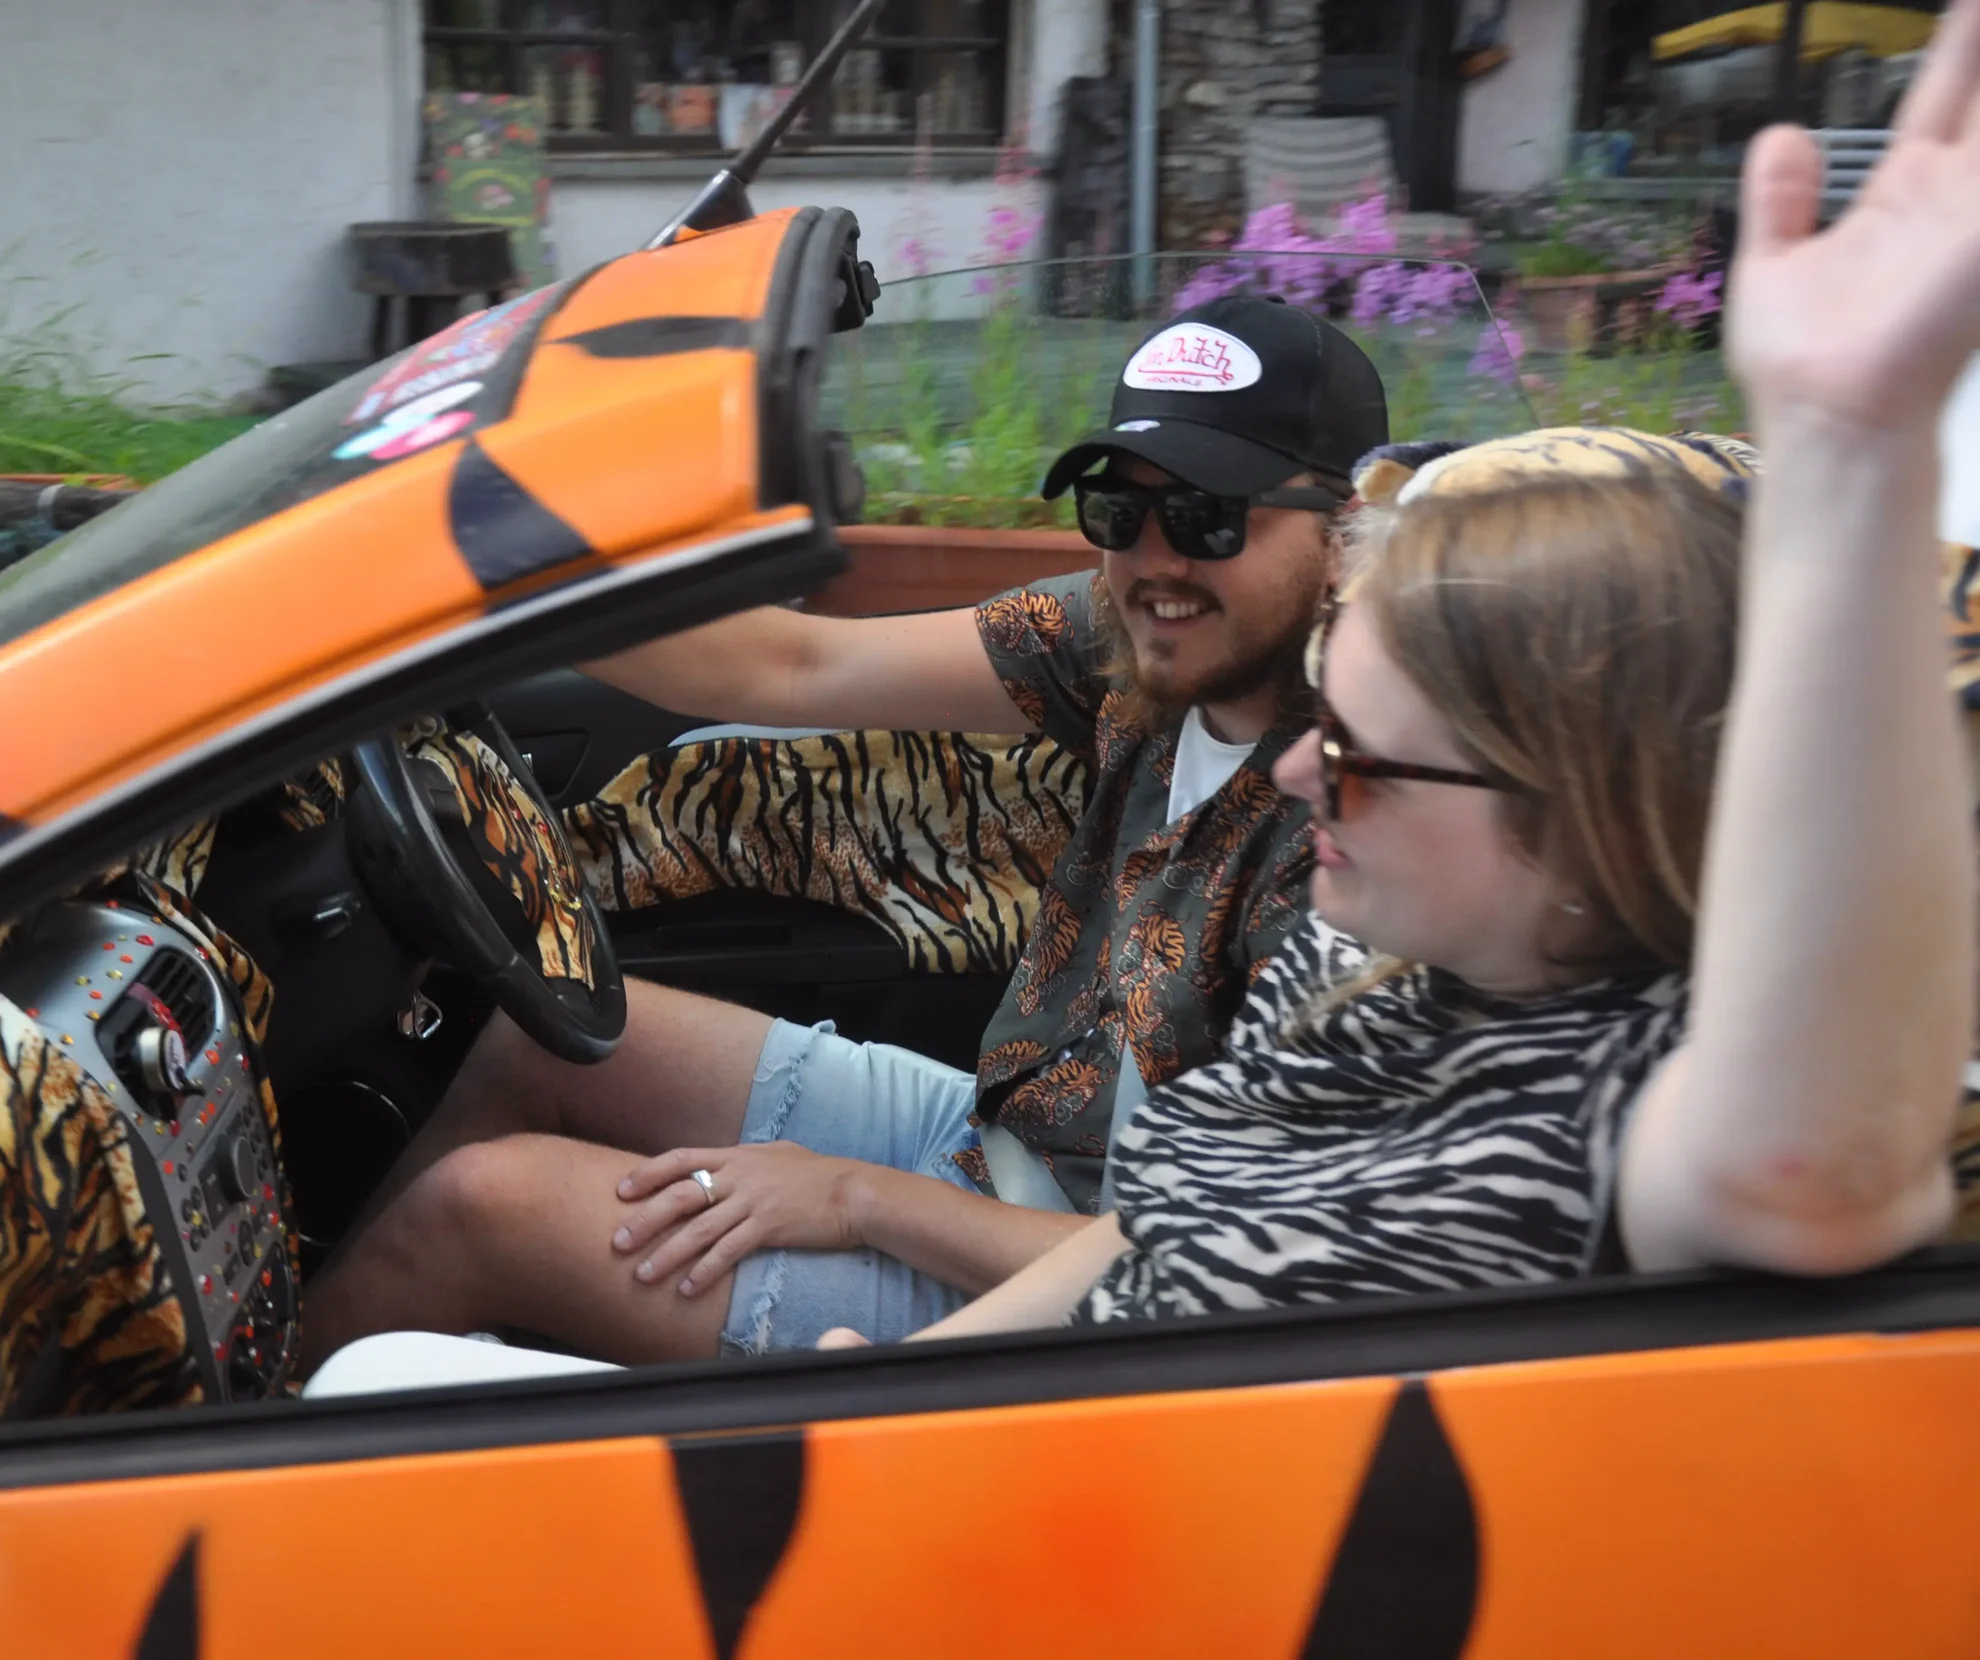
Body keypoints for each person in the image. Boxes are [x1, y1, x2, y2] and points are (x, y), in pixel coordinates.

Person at [820, 20, 1980, 1348]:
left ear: (1579, 817)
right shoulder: (1359, 956)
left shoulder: (1606, 1100)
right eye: (1329, 704)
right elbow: (1143, 1242)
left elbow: (1809, 1166)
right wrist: (913, 1382)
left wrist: (1852, 453)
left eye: (1363, 752)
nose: (1302, 765)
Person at [301, 295, 1388, 1362]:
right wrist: (465, 552)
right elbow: (793, 663)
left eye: (1208, 516)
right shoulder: (1125, 639)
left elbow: (1178, 1268)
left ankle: (206, 1477)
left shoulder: (1355, 834)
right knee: (535, 1040)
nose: (1155, 559)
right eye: (1120, 509)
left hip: (1069, 1297)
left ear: (1346, 536)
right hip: (989, 1135)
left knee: (480, 1209)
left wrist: (855, 1200)